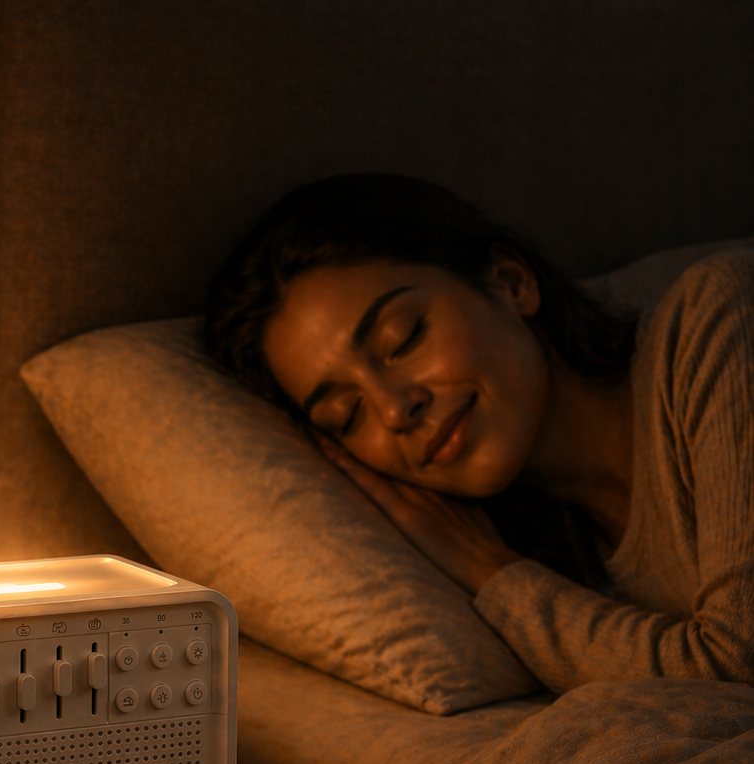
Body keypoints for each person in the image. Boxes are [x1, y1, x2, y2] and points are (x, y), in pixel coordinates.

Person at [202, 173, 754, 693]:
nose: (396, 410)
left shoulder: (722, 317)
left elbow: (735, 665)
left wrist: (485, 567)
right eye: (347, 414)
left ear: (511, 282)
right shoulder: (568, 568)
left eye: (403, 338)